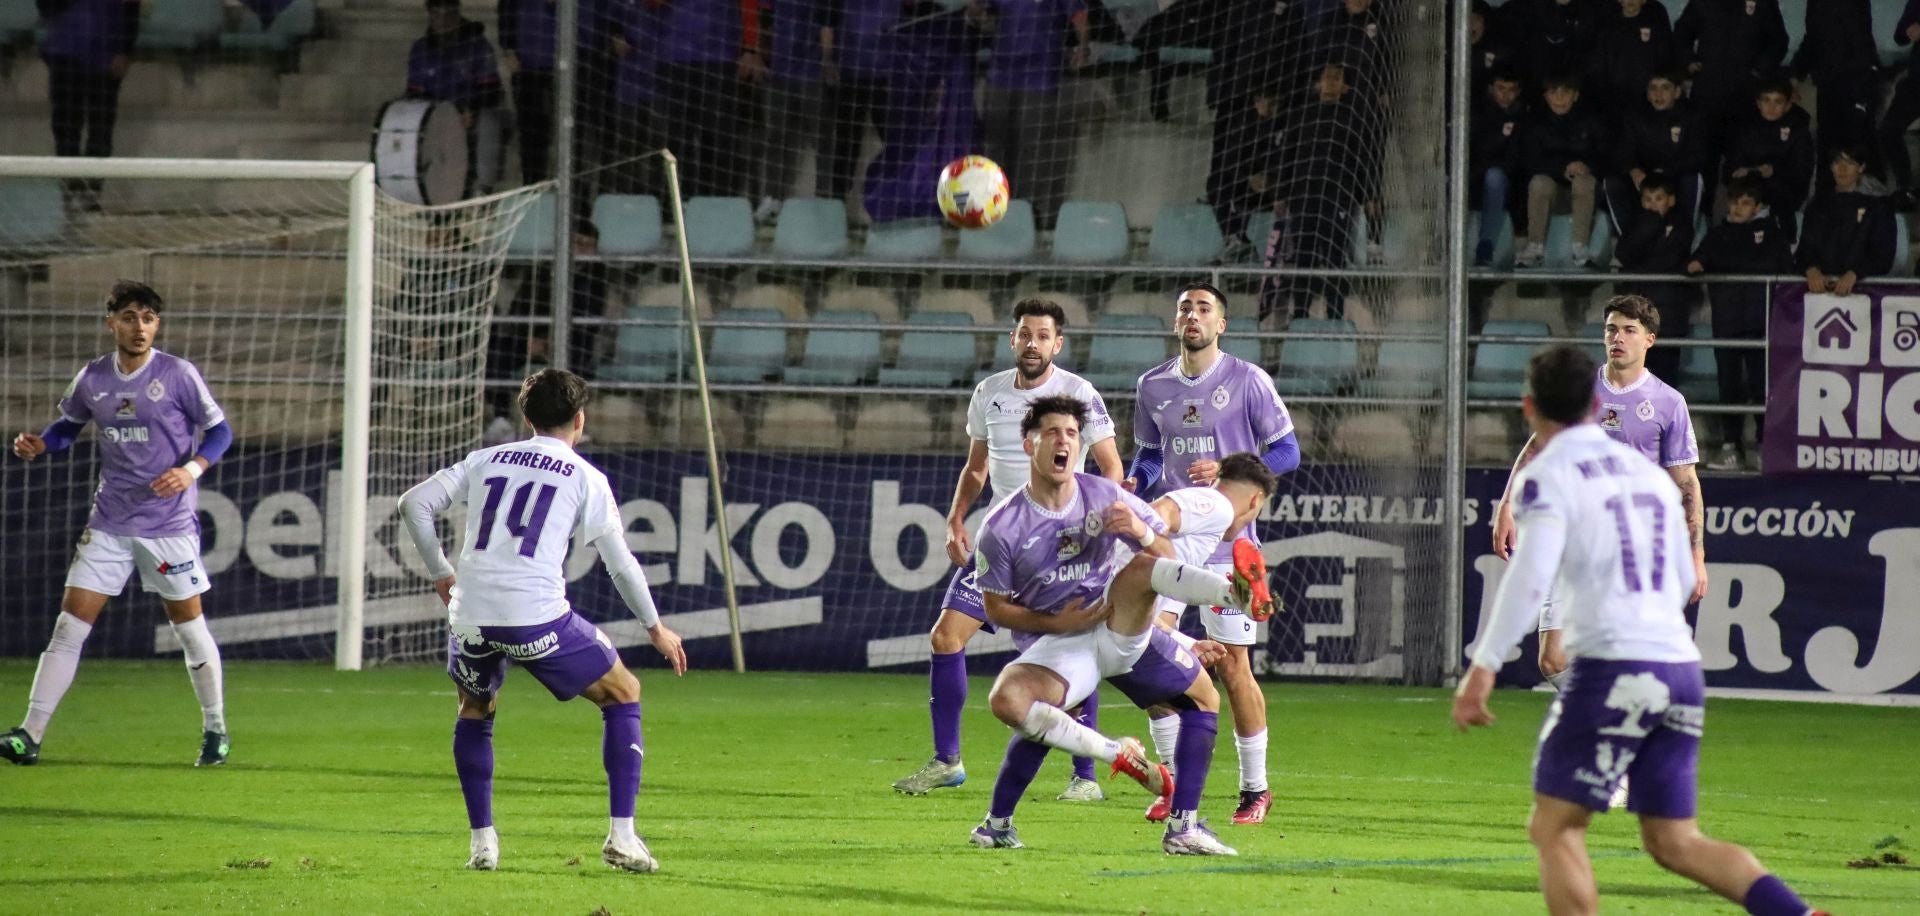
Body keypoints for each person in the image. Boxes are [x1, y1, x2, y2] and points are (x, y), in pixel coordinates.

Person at [1454, 344, 1827, 916]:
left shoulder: (1548, 475)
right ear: (1593, 402)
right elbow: (1680, 578)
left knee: (1554, 828)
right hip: (1680, 669)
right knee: (1674, 842)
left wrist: (1482, 668)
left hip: (1615, 669)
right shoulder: (1646, 477)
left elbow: (1529, 579)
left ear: (1529, 406)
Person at [396, 369, 689, 873]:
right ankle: (622, 837)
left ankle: (482, 845)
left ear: (525, 417)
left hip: (469, 617)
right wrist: (655, 627)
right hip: (536, 619)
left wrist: (441, 574)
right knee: (624, 692)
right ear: (581, 419)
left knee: (474, 707)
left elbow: (413, 503)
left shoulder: (485, 459)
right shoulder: (585, 477)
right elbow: (620, 564)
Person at [967, 396, 1276, 855]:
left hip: (1121, 624)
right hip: (1061, 645)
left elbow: (1165, 560)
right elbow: (994, 608)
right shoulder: (1001, 526)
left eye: (1072, 434)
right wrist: (1053, 619)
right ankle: (1005, 821)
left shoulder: (1107, 495)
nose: (1063, 441)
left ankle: (1184, 828)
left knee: (1203, 691)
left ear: (1081, 446)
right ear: (1028, 444)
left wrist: (1141, 530)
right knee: (1010, 702)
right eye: (1052, 432)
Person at [891, 298, 1126, 799]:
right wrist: (956, 517)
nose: (1033, 343)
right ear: (1013, 339)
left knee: (1065, 655)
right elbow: (977, 468)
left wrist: (1096, 526)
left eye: (1043, 335)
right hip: (1003, 546)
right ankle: (947, 760)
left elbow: (1112, 468)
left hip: (1062, 549)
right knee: (945, 637)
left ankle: (1084, 778)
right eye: (1025, 334)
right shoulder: (989, 393)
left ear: (1057, 344)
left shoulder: (1078, 394)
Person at [5, 281, 234, 767]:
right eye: (130, 317)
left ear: (158, 325)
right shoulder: (92, 378)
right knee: (68, 628)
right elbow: (69, 425)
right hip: (109, 520)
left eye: (149, 318)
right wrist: (42, 445)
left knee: (189, 629)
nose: (140, 327)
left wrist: (190, 470)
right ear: (111, 322)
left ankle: (216, 729)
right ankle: (29, 733)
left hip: (168, 525)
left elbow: (219, 431)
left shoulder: (177, 375)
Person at [1126, 282, 1300, 826]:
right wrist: (1135, 479)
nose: (1193, 315)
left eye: (1204, 309)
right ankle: (1172, 780)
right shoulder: (1152, 385)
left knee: (1234, 668)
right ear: (1176, 322)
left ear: (1221, 324)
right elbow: (1151, 456)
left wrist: (1228, 468)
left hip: (1230, 543)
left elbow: (1287, 451)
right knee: (1148, 656)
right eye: (1185, 308)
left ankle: (1255, 789)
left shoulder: (1248, 380)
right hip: (1172, 543)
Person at [1493, 294, 1707, 706]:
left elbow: (1687, 485)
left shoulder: (1668, 403)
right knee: (1553, 660)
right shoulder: (1580, 390)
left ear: (1649, 340)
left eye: (1629, 330)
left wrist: (1696, 555)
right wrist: (1507, 505)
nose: (1618, 338)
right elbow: (1539, 446)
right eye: (1611, 329)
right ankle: (1616, 714)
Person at [1687, 176, 1791, 470]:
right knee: (1728, 386)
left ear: (1757, 206)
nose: (1737, 208)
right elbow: (1695, 263)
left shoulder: (1772, 233)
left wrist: (1728, 262)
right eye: (1734, 202)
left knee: (1761, 386)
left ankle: (1763, 444)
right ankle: (1730, 446)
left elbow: (1779, 267)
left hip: (1760, 323)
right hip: (1728, 322)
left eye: (1744, 203)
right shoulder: (1719, 234)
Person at [1270, 62, 1377, 318]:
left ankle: (1335, 316)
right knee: (1303, 256)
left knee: (1334, 258)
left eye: (1336, 78)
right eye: (1326, 77)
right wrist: (1281, 192)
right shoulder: (1300, 115)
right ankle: (1300, 315)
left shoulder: (1354, 119)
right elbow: (1287, 155)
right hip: (1303, 195)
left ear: (1345, 86)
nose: (1329, 82)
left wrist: (1369, 195)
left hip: (1337, 196)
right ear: (1317, 83)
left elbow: (1365, 158)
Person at [971, 0, 1090, 231]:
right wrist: (977, 12)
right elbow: (981, 12)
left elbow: (1079, 16)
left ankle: (1030, 216)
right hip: (1000, 74)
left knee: (1033, 150)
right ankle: (991, 210)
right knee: (994, 147)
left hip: (1040, 75)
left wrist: (1083, 47)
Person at [654, 0, 766, 198]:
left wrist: (749, 49)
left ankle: (716, 199)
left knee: (718, 137)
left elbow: (749, 5)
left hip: (720, 57)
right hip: (675, 56)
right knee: (678, 136)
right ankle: (680, 200)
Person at [37, 0, 140, 210]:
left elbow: (131, 9)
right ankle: (71, 191)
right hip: (68, 50)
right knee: (67, 127)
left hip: (103, 52)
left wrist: (125, 50)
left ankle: (89, 193)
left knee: (98, 127)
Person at [407, 0, 508, 196]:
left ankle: (483, 190)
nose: (443, 20)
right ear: (429, 13)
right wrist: (438, 116)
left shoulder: (478, 45)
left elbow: (491, 90)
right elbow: (414, 95)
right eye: (438, 13)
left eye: (449, 13)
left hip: (471, 113)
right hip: (436, 116)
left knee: (489, 122)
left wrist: (470, 109)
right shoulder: (420, 49)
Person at [1672, 0, 1787, 161]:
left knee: (1741, 155)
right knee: (1705, 154)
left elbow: (1778, 41)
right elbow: (1681, 33)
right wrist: (1688, 60)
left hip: (1746, 93)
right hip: (1708, 90)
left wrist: (1758, 71)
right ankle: (1708, 187)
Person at [1612, 174, 1696, 381]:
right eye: (1648, 199)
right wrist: (1649, 225)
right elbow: (1623, 254)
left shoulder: (1682, 224)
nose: (1652, 204)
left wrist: (1639, 264)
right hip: (1636, 314)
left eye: (1658, 198)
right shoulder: (1635, 224)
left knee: (1664, 379)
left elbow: (1672, 259)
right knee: (1635, 380)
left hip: (1668, 314)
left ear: (1671, 200)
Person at [756, 0, 834, 219]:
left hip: (809, 74)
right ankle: (772, 198)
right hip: (779, 72)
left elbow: (826, 24)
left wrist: (826, 61)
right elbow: (764, 20)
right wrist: (761, 57)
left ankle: (822, 198)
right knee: (775, 137)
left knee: (821, 139)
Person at [1517, 75, 1603, 268]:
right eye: (1553, 93)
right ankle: (1534, 246)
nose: (1560, 98)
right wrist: (1562, 168)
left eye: (1565, 92)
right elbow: (1529, 161)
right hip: (1552, 194)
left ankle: (1580, 247)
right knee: (1539, 182)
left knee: (1584, 180)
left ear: (1576, 95)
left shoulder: (1591, 120)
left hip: (1585, 195)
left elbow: (1605, 156)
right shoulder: (1534, 122)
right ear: (1546, 97)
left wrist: (1585, 166)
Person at [1603, 71, 1703, 234]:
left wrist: (1666, 171)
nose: (1658, 94)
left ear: (1677, 92)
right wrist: (1634, 169)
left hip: (1674, 175)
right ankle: (1628, 239)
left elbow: (1697, 156)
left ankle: (1684, 237)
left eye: (1665, 88)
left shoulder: (1692, 117)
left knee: (1692, 179)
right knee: (1613, 181)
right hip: (1644, 177)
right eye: (1653, 88)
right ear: (1647, 94)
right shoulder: (1634, 116)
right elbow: (1622, 152)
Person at [1799, 144, 1897, 301]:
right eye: (1837, 162)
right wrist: (1811, 269)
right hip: (1820, 295)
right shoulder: (1817, 205)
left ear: (1861, 167)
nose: (1842, 169)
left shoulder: (1879, 206)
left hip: (1866, 294)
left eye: (1850, 163)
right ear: (1831, 167)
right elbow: (1804, 250)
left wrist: (1855, 273)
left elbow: (1883, 256)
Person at [1788, 0, 1877, 171]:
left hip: (1855, 82)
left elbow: (1859, 37)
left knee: (1857, 149)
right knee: (1828, 150)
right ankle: (1826, 195)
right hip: (1829, 84)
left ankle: (1865, 196)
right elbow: (1813, 37)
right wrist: (1796, 74)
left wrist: (1866, 75)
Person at [1720, 78, 1815, 228]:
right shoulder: (1745, 128)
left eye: (1778, 102)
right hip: (1749, 190)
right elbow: (1729, 169)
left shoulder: (1799, 130)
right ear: (1758, 103)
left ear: (1788, 105)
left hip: (1783, 190)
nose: (1771, 106)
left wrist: (1774, 171)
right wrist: (1743, 172)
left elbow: (1802, 170)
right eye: (1766, 100)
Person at [1584, 0, 1676, 129]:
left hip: (1646, 99)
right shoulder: (1607, 28)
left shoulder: (1655, 26)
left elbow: (1665, 61)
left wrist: (1655, 90)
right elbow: (1596, 66)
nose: (1631, 1)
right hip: (1614, 99)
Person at [1471, 69, 1528, 266]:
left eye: (1511, 89)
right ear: (1490, 89)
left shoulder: (1525, 117)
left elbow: (1522, 159)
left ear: (1518, 92)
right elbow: (1475, 152)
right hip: (1476, 178)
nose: (1505, 95)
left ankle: (1486, 245)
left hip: (1513, 183)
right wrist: (1501, 138)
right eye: (1500, 88)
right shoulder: (1476, 114)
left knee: (1495, 177)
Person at [1879, 1, 1920, 209]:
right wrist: (1910, 31)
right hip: (1915, 81)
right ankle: (1905, 188)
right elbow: (1900, 35)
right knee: (1889, 130)